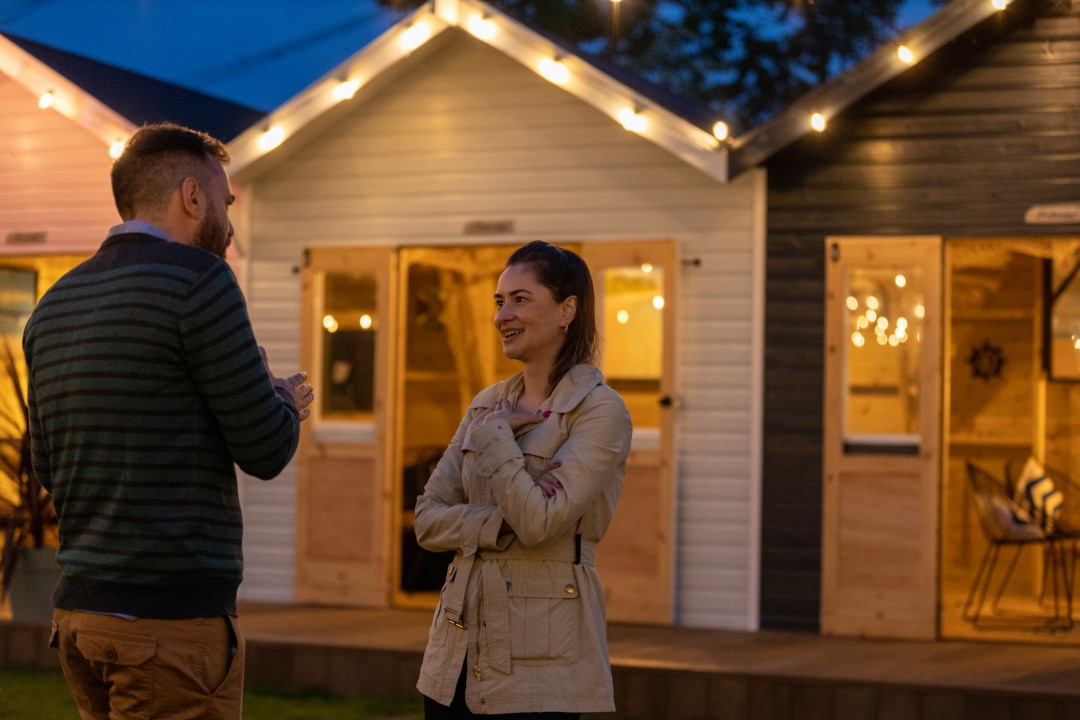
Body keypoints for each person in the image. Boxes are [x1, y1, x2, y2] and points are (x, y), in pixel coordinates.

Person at [22, 122, 314, 720]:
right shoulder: (201, 282)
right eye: (226, 203)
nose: (230, 227)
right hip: (170, 626)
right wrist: (280, 395)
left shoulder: (54, 304)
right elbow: (265, 448)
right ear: (191, 196)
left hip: (79, 618)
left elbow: (48, 466)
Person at [415, 241, 633, 718]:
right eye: (499, 302)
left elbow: (538, 524)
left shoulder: (598, 411)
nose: (501, 316)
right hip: (454, 656)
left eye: (519, 299)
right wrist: (497, 526)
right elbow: (427, 521)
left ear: (566, 310)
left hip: (542, 665)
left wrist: (495, 440)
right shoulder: (485, 404)